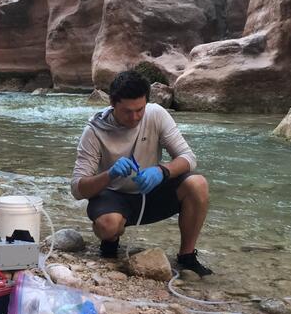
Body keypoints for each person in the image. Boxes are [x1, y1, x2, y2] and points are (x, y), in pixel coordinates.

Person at [71, 69, 212, 276]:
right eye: (127, 111)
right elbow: (77, 188)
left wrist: (161, 171)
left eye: (140, 109)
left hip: (150, 191)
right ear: (112, 103)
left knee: (197, 184)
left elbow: (188, 158)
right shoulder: (94, 131)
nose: (135, 117)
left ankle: (187, 256)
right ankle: (110, 243)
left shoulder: (156, 114)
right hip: (114, 197)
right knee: (108, 225)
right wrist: (109, 174)